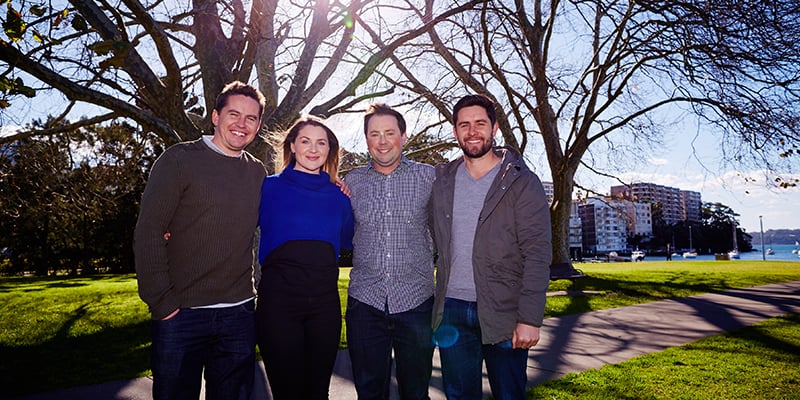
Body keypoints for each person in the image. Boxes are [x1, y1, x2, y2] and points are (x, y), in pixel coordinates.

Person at [133, 81, 267, 400]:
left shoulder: (258, 172)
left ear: (259, 125)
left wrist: (335, 183)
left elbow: (275, 223)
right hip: (182, 315)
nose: (241, 124)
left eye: (251, 118)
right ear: (215, 116)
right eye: (233, 114)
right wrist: (162, 304)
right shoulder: (179, 160)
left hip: (239, 315)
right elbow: (149, 231)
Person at [430, 94, 552, 400]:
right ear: (455, 130)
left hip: (505, 313)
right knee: (459, 396)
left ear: (494, 128)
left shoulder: (522, 182)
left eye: (480, 123)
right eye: (464, 124)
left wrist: (530, 319)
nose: (472, 131)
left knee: (509, 395)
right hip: (453, 310)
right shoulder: (441, 180)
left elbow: (538, 253)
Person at [255, 116, 355, 399]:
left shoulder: (339, 195)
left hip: (324, 307)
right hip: (278, 305)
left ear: (329, 150)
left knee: (317, 392)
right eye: (305, 141)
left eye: (321, 142)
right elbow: (233, 224)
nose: (313, 149)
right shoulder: (268, 188)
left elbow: (351, 238)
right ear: (292, 147)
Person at [344, 103, 436, 399]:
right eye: (374, 134)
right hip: (364, 303)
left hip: (416, 302)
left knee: (416, 391)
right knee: (369, 391)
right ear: (367, 140)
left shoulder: (430, 178)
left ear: (403, 137)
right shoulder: (351, 182)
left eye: (389, 133)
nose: (382, 141)